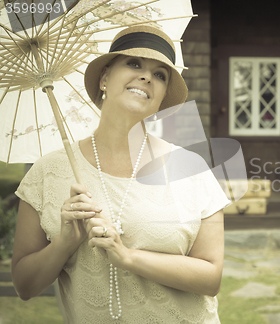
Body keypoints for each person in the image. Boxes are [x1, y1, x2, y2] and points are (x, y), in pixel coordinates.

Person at [11, 25, 231, 323]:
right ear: (104, 77)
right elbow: (24, 286)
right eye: (134, 63)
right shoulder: (47, 173)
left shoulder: (191, 169)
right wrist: (64, 243)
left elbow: (210, 278)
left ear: (162, 96)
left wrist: (127, 256)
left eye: (160, 75)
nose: (146, 77)